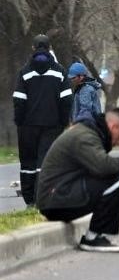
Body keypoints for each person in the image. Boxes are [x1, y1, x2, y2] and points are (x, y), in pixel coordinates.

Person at [37, 108, 119, 252]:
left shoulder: (89, 132)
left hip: (57, 196)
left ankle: (96, 235)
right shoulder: (85, 136)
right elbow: (102, 166)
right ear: (113, 127)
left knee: (116, 178)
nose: (118, 142)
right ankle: (93, 238)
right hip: (54, 201)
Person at [12, 34, 73, 207]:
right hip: (52, 125)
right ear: (49, 48)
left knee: (28, 162)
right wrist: (63, 121)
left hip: (27, 126)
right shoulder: (60, 71)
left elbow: (19, 100)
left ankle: (30, 200)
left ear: (33, 48)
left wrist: (19, 122)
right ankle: (43, 197)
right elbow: (67, 100)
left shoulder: (25, 72)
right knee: (46, 161)